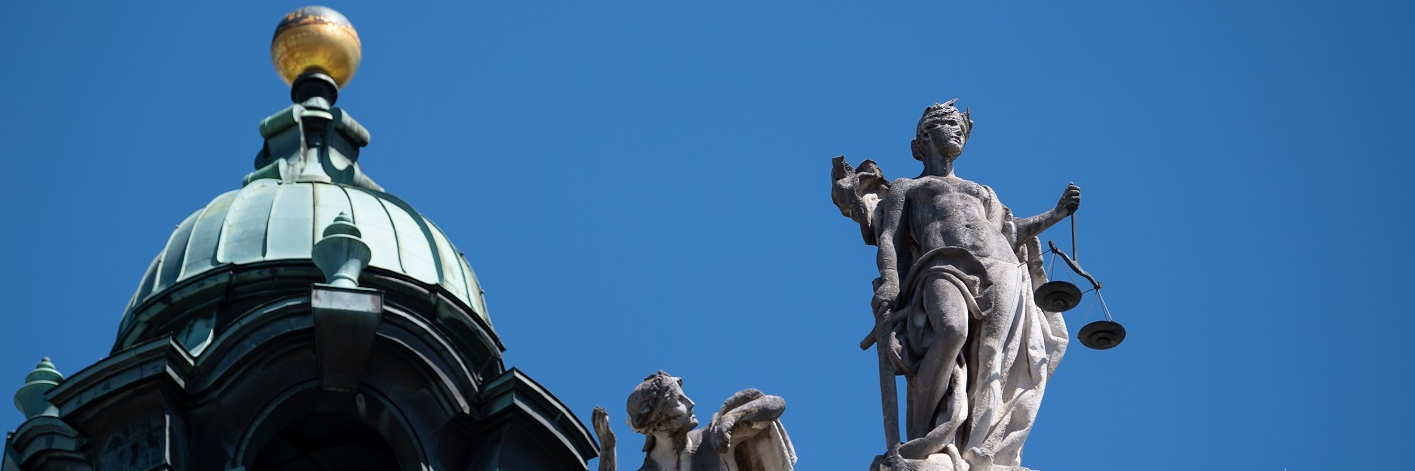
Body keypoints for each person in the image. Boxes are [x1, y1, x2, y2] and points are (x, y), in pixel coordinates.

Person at [838, 100, 1077, 470]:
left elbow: (1010, 233)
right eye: (948, 124)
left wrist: (1056, 214)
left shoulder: (981, 190)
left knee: (992, 357)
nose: (957, 131)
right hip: (940, 265)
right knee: (951, 330)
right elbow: (889, 237)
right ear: (924, 138)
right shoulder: (908, 187)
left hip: (1000, 269)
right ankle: (923, 437)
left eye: (961, 128)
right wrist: (889, 280)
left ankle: (977, 444)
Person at [592, 371, 796, 471]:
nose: (691, 402)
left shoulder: (713, 440)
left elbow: (776, 404)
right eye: (679, 401)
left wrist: (732, 418)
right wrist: (608, 448)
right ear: (659, 423)